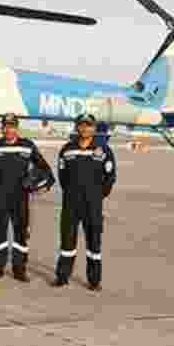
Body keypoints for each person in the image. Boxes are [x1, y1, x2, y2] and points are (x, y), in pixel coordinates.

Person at [0, 113, 54, 281]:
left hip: (20, 198)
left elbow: (44, 169)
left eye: (12, 126)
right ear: (2, 128)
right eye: (6, 126)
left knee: (20, 234)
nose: (9, 129)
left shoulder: (27, 146)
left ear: (17, 128)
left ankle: (19, 270)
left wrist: (43, 186)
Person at [54, 113, 116, 291]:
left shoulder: (103, 150)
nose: (85, 128)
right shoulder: (67, 149)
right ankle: (62, 277)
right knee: (67, 242)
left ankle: (94, 281)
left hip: (93, 205)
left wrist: (97, 196)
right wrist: (73, 193)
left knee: (94, 245)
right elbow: (62, 176)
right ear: (77, 127)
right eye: (81, 125)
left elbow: (110, 178)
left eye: (88, 125)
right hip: (71, 204)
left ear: (94, 128)